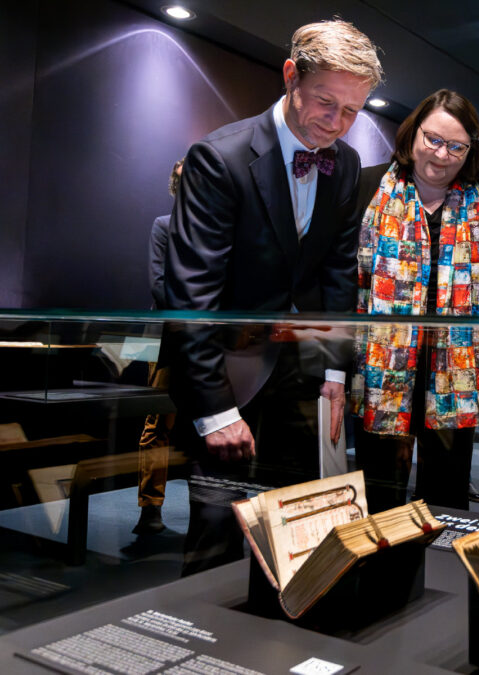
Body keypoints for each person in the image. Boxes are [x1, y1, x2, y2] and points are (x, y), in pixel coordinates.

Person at [164, 20, 381, 575]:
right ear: (291, 76)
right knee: (216, 528)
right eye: (326, 103)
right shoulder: (220, 158)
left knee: (300, 523)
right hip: (227, 372)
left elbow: (336, 276)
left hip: (299, 373)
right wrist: (215, 413)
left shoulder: (347, 163)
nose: (337, 124)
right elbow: (192, 295)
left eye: (353, 110)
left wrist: (335, 376)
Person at [352, 89, 479, 511]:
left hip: (457, 372)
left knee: (447, 494)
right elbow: (346, 283)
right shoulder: (368, 185)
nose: (442, 155)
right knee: (380, 498)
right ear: (412, 135)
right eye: (434, 140)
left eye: (457, 146)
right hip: (382, 368)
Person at [133, 157, 184, 536]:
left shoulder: (218, 230)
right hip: (170, 340)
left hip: (208, 344)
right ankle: (150, 508)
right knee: (157, 423)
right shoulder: (163, 227)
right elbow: (159, 285)